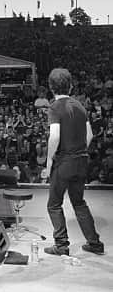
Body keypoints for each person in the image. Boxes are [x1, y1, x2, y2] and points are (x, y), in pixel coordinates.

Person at [44, 68, 104, 256]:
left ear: (51, 86)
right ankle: (94, 243)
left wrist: (49, 161)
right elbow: (90, 134)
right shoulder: (79, 106)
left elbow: (54, 137)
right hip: (81, 160)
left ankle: (61, 245)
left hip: (64, 162)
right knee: (78, 202)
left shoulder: (55, 107)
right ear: (70, 86)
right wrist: (79, 151)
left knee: (54, 204)